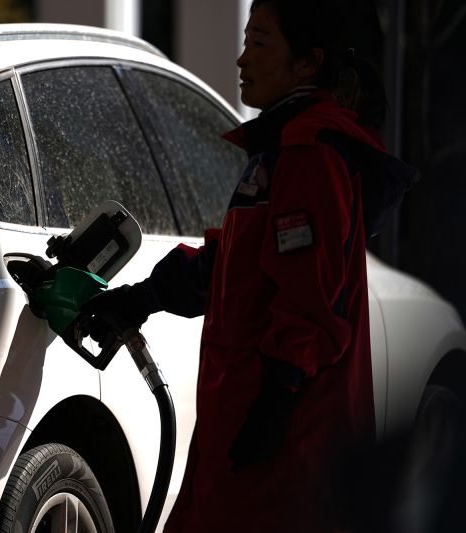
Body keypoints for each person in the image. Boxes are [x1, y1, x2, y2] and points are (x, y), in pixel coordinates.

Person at [82, 0, 419, 532]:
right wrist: (143, 297)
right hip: (243, 426)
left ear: (307, 64)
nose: (242, 60)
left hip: (289, 448)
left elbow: (310, 294)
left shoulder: (310, 152)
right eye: (245, 41)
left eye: (259, 43)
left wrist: (279, 396)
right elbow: (235, 268)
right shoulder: (279, 150)